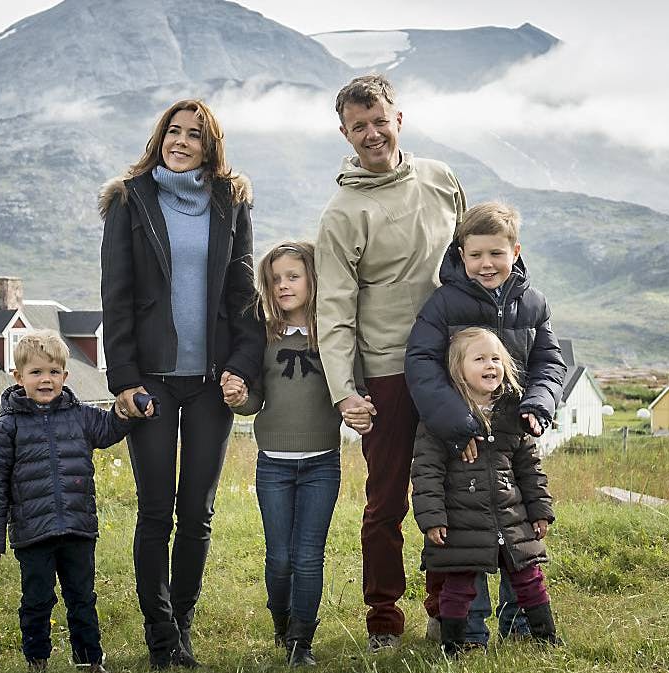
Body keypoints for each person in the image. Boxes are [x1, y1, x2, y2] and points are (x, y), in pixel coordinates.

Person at [98, 99, 263, 669]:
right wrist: (123, 379)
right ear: (160, 137)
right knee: (155, 510)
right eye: (174, 131)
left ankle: (183, 625)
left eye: (195, 135)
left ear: (209, 146)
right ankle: (160, 634)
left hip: (210, 383)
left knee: (197, 512)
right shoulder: (131, 199)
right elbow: (115, 297)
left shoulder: (231, 202)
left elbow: (244, 297)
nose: (182, 141)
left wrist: (242, 365)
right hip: (152, 383)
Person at [315, 73, 466, 650]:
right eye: (360, 127)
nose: (372, 134)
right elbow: (334, 310)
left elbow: (473, 257)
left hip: (451, 364)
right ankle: (383, 617)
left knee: (455, 488)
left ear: (398, 119)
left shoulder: (440, 178)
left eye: (380, 121)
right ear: (345, 134)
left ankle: (445, 605)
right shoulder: (342, 214)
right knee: (386, 501)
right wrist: (343, 392)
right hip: (387, 372)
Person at [405, 202, 565, 646]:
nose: (486, 264)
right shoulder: (443, 303)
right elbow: (420, 364)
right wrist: (459, 424)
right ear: (460, 253)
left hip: (512, 437)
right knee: (466, 543)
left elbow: (549, 362)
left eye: (496, 253)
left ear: (516, 250)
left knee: (519, 537)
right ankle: (465, 633)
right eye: (476, 255)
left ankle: (519, 629)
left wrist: (538, 403)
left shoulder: (533, 304)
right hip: (461, 441)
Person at [223, 241, 367, 666]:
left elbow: (353, 392)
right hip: (273, 466)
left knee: (308, 556)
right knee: (280, 556)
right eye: (275, 279)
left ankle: (302, 642)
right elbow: (254, 401)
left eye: (293, 276)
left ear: (312, 279)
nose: (283, 285)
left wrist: (362, 410)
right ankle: (281, 625)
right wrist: (239, 398)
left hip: (322, 463)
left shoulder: (335, 337)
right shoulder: (263, 338)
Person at [0, 330, 144, 673]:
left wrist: (124, 413)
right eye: (36, 372)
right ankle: (37, 658)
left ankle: (89, 661)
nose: (46, 380)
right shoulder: (7, 427)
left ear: (65, 377)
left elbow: (109, 428)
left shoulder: (80, 415)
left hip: (77, 529)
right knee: (37, 600)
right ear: (18, 377)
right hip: (33, 534)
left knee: (82, 599)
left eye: (53, 372)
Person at [411, 327, 561, 656]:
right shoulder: (441, 419)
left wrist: (540, 511)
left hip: (512, 518)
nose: (490, 364)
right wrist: (432, 518)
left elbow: (530, 468)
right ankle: (454, 644)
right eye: (479, 359)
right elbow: (426, 472)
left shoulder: (513, 413)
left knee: (529, 577)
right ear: (457, 369)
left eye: (496, 358)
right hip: (461, 521)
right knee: (459, 584)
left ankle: (546, 637)